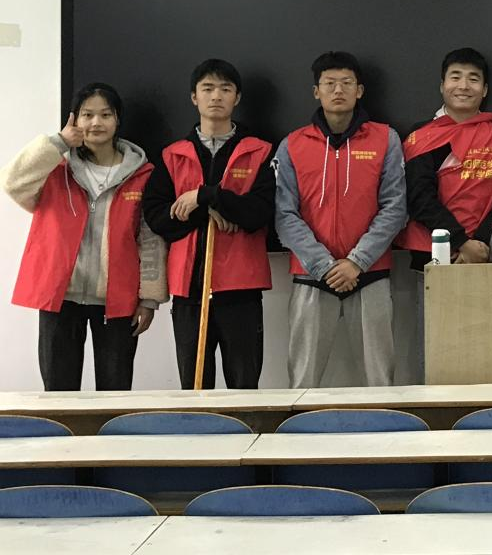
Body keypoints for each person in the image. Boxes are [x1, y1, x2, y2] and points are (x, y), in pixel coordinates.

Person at [2, 83, 167, 391]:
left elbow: (150, 241)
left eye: (105, 114)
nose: (96, 123)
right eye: (87, 115)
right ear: (74, 119)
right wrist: (58, 143)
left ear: (117, 119)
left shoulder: (142, 174)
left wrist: (149, 298)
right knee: (59, 393)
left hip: (117, 298)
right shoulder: (56, 169)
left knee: (115, 391)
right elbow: (13, 182)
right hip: (61, 296)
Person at [273, 51, 407, 387]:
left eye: (346, 83)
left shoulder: (385, 139)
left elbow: (395, 207)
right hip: (311, 274)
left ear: (359, 90)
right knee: (302, 382)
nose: (338, 90)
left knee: (380, 381)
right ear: (316, 91)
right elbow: (284, 214)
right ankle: (299, 424)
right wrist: (324, 265)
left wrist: (357, 262)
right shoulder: (292, 144)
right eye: (329, 83)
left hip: (370, 273)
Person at [141, 59, 274, 390]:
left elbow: (260, 213)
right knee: (194, 387)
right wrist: (207, 210)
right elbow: (157, 217)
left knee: (244, 388)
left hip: (241, 289)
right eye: (208, 88)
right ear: (194, 97)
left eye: (225, 89)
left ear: (237, 98)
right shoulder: (172, 155)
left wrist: (205, 196)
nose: (216, 96)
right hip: (189, 289)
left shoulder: (259, 151)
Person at [399, 48, 492, 268]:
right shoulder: (421, 136)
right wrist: (460, 242)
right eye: (455, 77)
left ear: (484, 90)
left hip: (488, 253)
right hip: (431, 255)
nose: (463, 86)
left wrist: (479, 245)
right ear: (442, 85)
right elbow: (418, 196)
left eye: (473, 79)